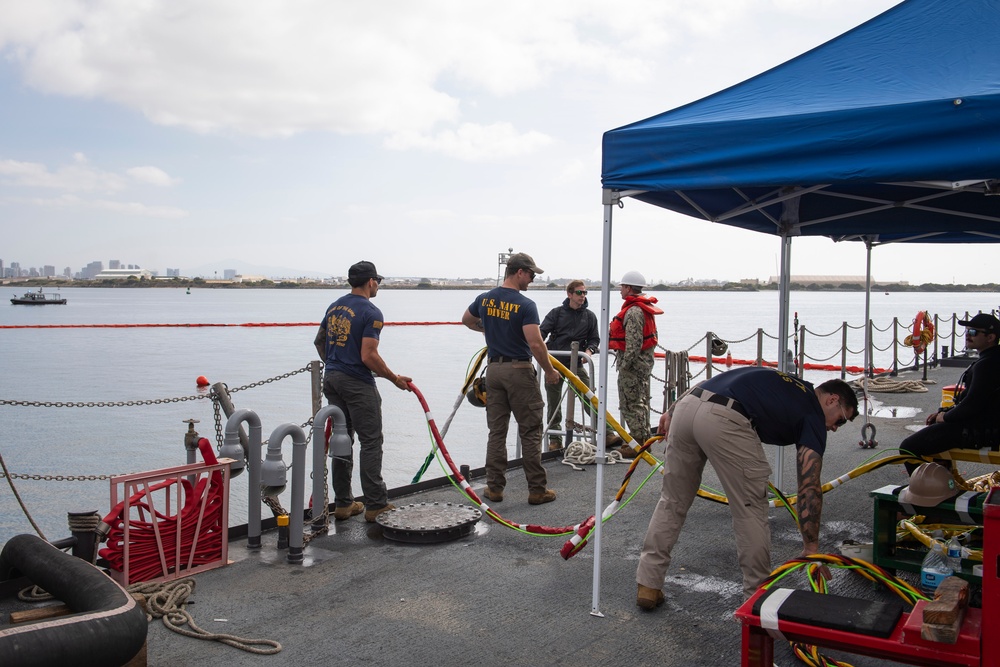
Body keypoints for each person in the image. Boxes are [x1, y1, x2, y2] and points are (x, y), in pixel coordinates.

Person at [635, 367, 858, 605]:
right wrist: (811, 546)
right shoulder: (813, 412)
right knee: (750, 510)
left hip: (687, 406)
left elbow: (716, 379)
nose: (835, 428)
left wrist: (672, 409)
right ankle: (756, 600)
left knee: (672, 500)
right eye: (841, 420)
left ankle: (648, 584)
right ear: (832, 399)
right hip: (726, 418)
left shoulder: (784, 381)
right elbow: (809, 485)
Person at [313, 260, 412, 523]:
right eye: (377, 281)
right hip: (357, 383)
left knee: (342, 439)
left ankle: (344, 503)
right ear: (370, 282)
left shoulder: (334, 307)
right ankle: (376, 504)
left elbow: (319, 341)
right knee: (371, 441)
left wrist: (335, 364)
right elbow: (369, 355)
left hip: (332, 379)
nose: (378, 285)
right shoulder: (371, 312)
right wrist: (394, 379)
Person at [462, 252, 560, 505]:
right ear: (519, 272)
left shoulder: (484, 299)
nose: (532, 280)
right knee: (530, 430)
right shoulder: (526, 305)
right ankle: (537, 490)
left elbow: (466, 320)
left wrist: (488, 329)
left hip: (493, 370)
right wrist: (549, 371)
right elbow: (536, 344)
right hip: (519, 371)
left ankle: (494, 488)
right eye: (531, 275)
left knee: (496, 431)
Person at [900, 312, 1000, 474]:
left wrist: (944, 417)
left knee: (909, 447)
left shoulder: (987, 364)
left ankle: (927, 489)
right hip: (987, 425)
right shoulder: (992, 359)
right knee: (934, 430)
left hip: (982, 432)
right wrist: (945, 412)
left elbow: (972, 404)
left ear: (990, 338)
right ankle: (944, 480)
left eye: (974, 332)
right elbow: (973, 398)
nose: (968, 335)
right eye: (967, 331)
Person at [540, 280, 631, 455]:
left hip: (577, 364)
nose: (583, 296)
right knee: (553, 402)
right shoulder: (556, 314)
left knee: (590, 399)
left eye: (585, 293)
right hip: (556, 364)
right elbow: (541, 333)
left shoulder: (589, 316)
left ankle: (607, 433)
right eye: (579, 293)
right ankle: (555, 440)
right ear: (570, 294)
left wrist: (588, 352)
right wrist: (543, 355)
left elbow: (594, 339)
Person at [609, 270, 663, 450]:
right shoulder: (644, 310)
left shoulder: (633, 312)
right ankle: (643, 437)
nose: (620, 291)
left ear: (629, 288)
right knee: (642, 401)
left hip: (633, 366)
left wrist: (625, 366)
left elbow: (633, 343)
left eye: (622, 287)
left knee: (631, 403)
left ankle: (638, 443)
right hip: (644, 365)